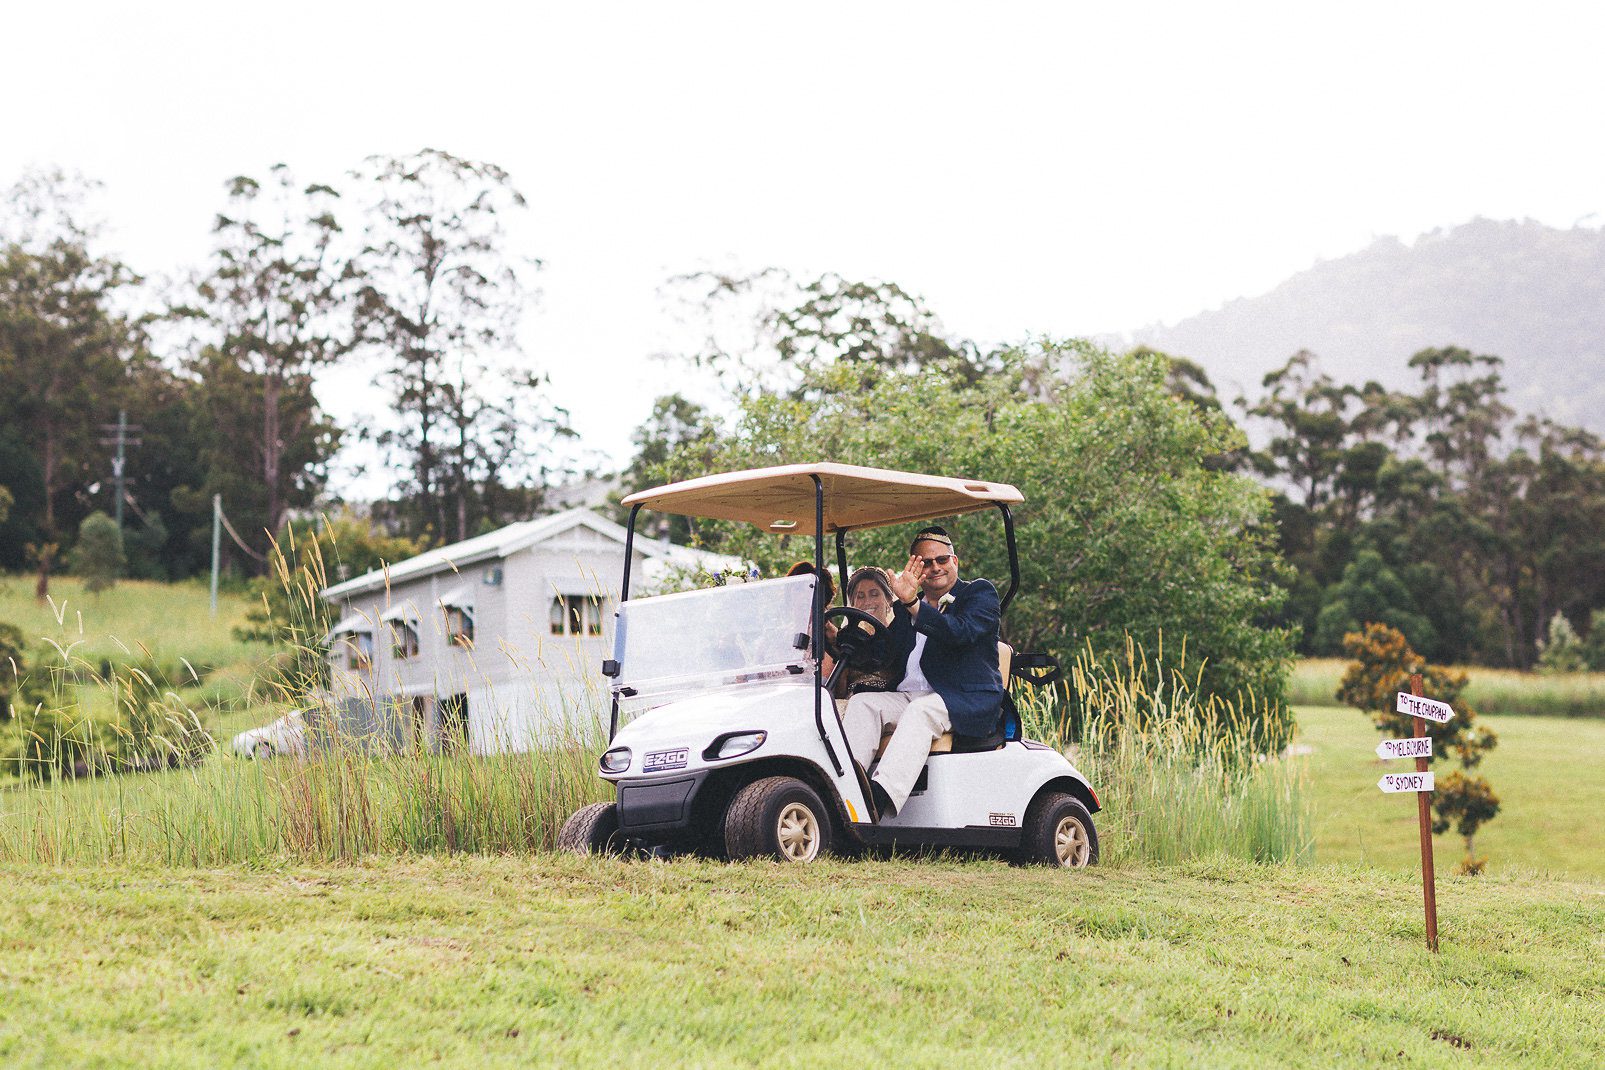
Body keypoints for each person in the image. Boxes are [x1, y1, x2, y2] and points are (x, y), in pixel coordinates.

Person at [841, 526, 1003, 818]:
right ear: (916, 568)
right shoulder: (906, 608)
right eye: (926, 563)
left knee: (921, 712)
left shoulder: (978, 593)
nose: (935, 568)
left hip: (961, 697)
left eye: (942, 560)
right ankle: (844, 791)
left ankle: (878, 800)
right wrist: (840, 639)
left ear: (955, 561)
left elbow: (959, 633)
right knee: (864, 704)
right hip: (912, 695)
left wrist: (913, 604)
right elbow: (885, 655)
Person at [837, 566, 896, 696]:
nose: (868, 601)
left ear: (888, 599)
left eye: (874, 594)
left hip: (890, 698)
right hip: (853, 698)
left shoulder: (899, 633)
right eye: (860, 596)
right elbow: (839, 692)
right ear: (853, 603)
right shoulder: (848, 637)